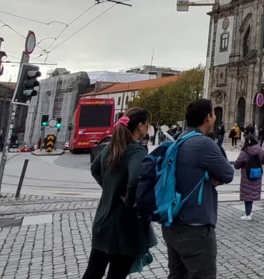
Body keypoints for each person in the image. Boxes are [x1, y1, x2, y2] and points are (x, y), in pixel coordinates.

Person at [163, 99, 234, 279]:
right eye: (213, 113)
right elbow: (228, 173)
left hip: (172, 223)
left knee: (177, 275)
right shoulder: (203, 144)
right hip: (195, 227)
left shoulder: (177, 139)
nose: (215, 117)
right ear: (207, 118)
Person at [83, 108, 155, 279]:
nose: (148, 127)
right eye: (147, 124)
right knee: (117, 274)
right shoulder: (136, 151)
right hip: (124, 226)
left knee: (93, 272)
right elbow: (135, 179)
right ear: (140, 126)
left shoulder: (112, 146)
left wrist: (110, 189)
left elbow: (94, 169)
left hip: (103, 221)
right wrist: (129, 201)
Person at [232, 134, 264, 220]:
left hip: (247, 176)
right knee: (252, 193)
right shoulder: (260, 150)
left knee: (247, 194)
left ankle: (248, 214)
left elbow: (237, 164)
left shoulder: (245, 151)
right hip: (257, 174)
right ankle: (249, 212)